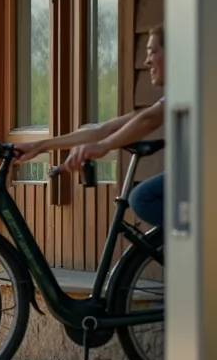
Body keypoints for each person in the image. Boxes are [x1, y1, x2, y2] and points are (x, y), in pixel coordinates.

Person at [15, 24, 166, 228]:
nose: (147, 61)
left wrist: (104, 146)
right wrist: (40, 145)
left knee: (142, 198)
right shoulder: (171, 99)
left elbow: (149, 119)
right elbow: (103, 130)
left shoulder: (188, 91)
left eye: (152, 52)